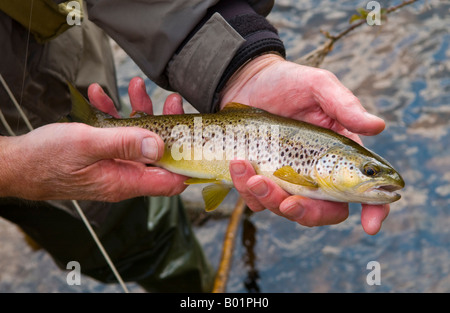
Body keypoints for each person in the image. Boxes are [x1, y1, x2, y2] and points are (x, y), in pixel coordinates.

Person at [0, 0, 389, 292]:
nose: (373, 178)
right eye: (368, 172)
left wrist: (243, 64)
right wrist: (14, 169)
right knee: (93, 222)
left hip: (33, 33)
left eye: (368, 171)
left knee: (120, 201)